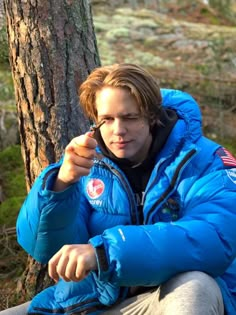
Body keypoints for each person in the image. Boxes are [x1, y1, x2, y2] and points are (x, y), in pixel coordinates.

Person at [2, 63, 236, 315]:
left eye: (130, 117)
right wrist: (60, 186)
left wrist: (105, 252)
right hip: (91, 302)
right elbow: (44, 249)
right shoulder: (85, 161)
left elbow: (214, 240)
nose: (118, 130)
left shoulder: (209, 162)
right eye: (107, 119)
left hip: (165, 301)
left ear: (152, 115)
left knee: (194, 286)